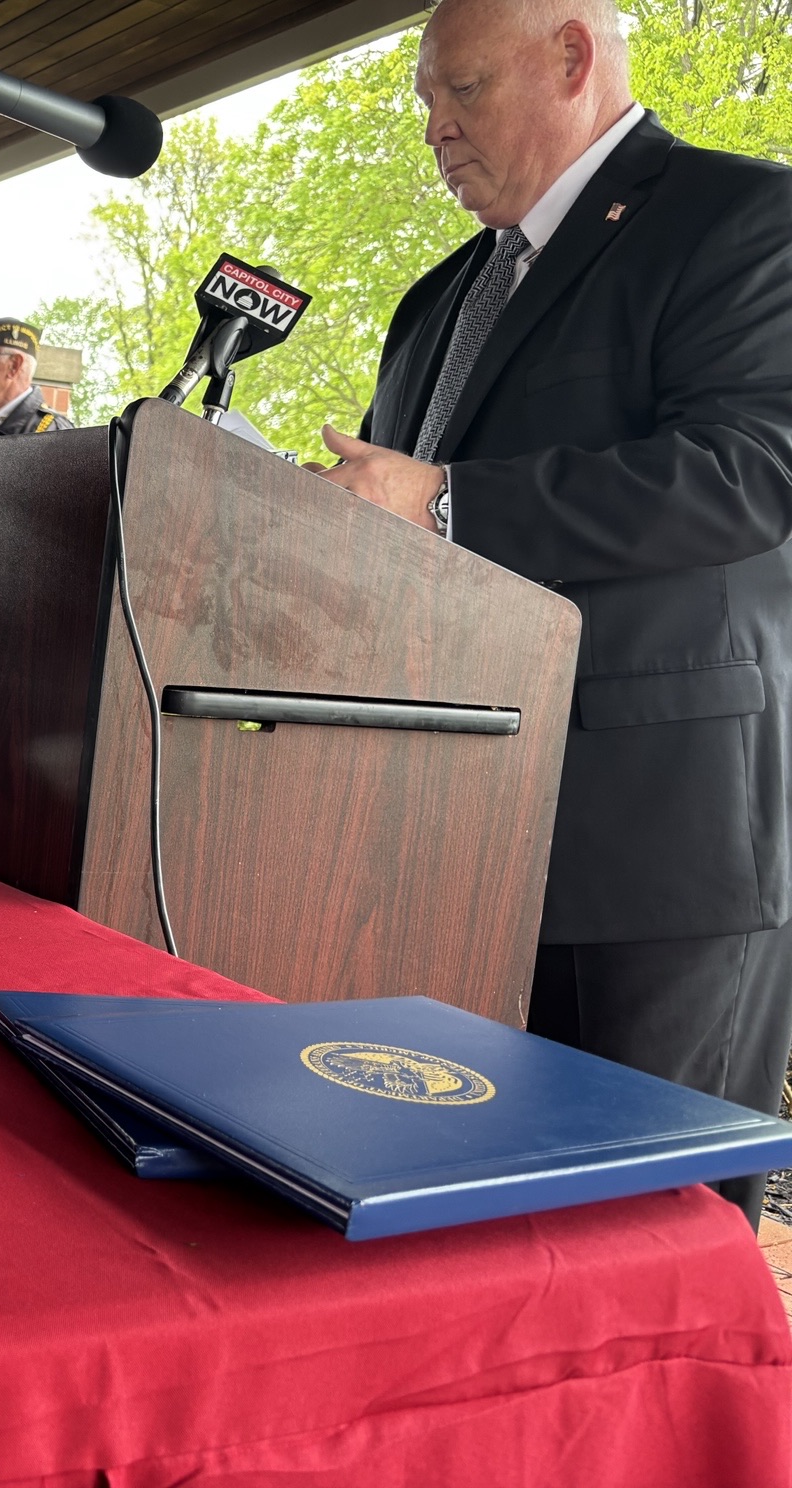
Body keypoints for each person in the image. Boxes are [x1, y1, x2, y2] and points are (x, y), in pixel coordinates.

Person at [315, 0, 792, 1225]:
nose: (432, 127)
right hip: (450, 844)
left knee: (646, 1236)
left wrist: (439, 500)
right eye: (426, 99)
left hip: (655, 848)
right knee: (476, 1230)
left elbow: (750, 472)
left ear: (570, 57)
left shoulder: (741, 219)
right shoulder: (435, 304)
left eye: (459, 90)